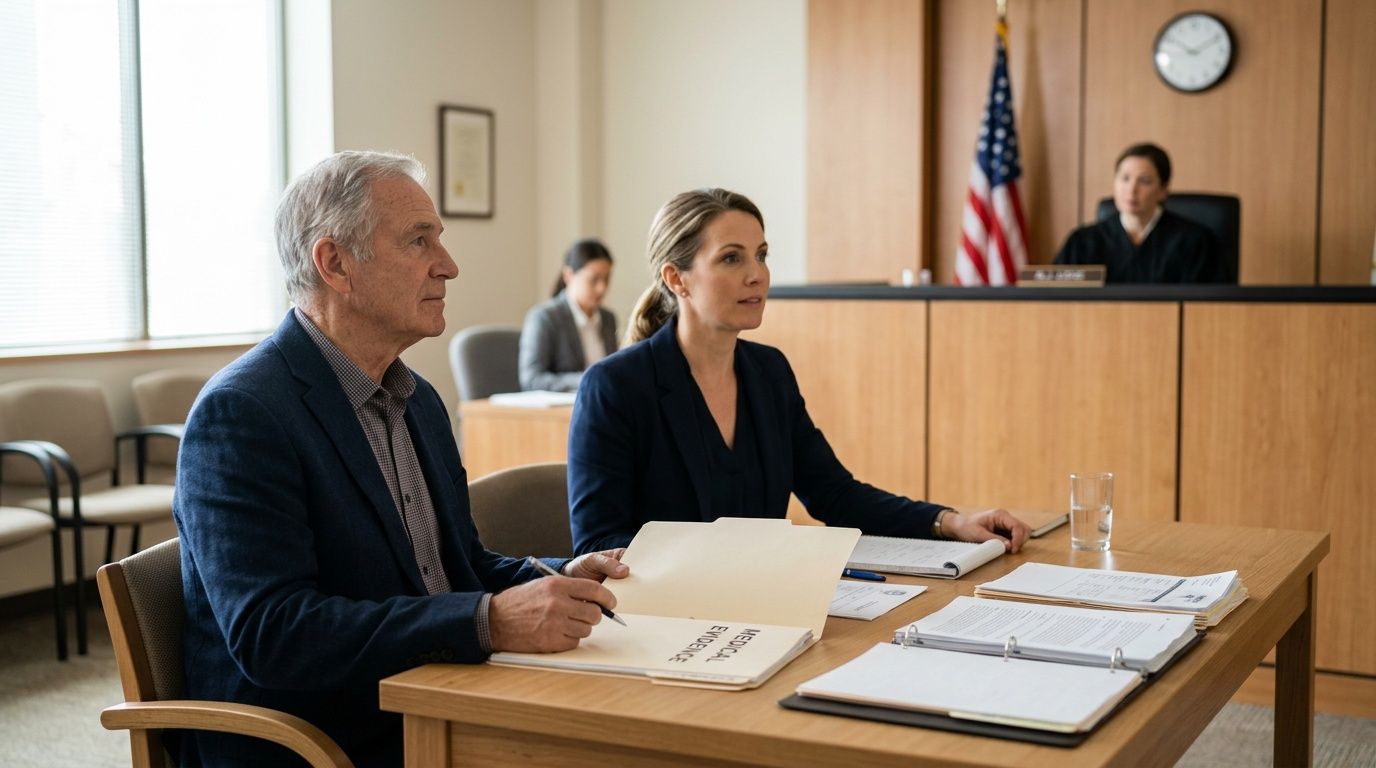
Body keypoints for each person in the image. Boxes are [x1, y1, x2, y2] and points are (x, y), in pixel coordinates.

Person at [175, 151, 628, 768]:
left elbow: (457, 567)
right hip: (324, 739)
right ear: (334, 263)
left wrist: (559, 577)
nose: (449, 266)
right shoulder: (243, 414)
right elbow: (274, 634)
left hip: (431, 700)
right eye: (420, 241)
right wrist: (487, 621)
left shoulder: (418, 399)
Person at [567, 187, 1029, 555]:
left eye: (761, 254)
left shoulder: (768, 372)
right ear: (676, 278)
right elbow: (598, 544)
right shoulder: (615, 387)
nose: (757, 274)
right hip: (668, 625)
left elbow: (835, 494)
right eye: (732, 258)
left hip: (769, 609)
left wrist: (950, 522)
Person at [1054, 142, 1226, 283]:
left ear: (1163, 190)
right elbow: (1055, 297)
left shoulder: (1195, 242)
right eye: (1125, 178)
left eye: (1144, 181)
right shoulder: (1083, 242)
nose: (1131, 189)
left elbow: (1211, 307)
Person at [518, 239, 617, 392]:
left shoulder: (608, 318)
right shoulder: (544, 317)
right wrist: (588, 379)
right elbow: (532, 379)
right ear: (569, 275)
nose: (602, 288)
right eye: (594, 280)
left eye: (606, 279)